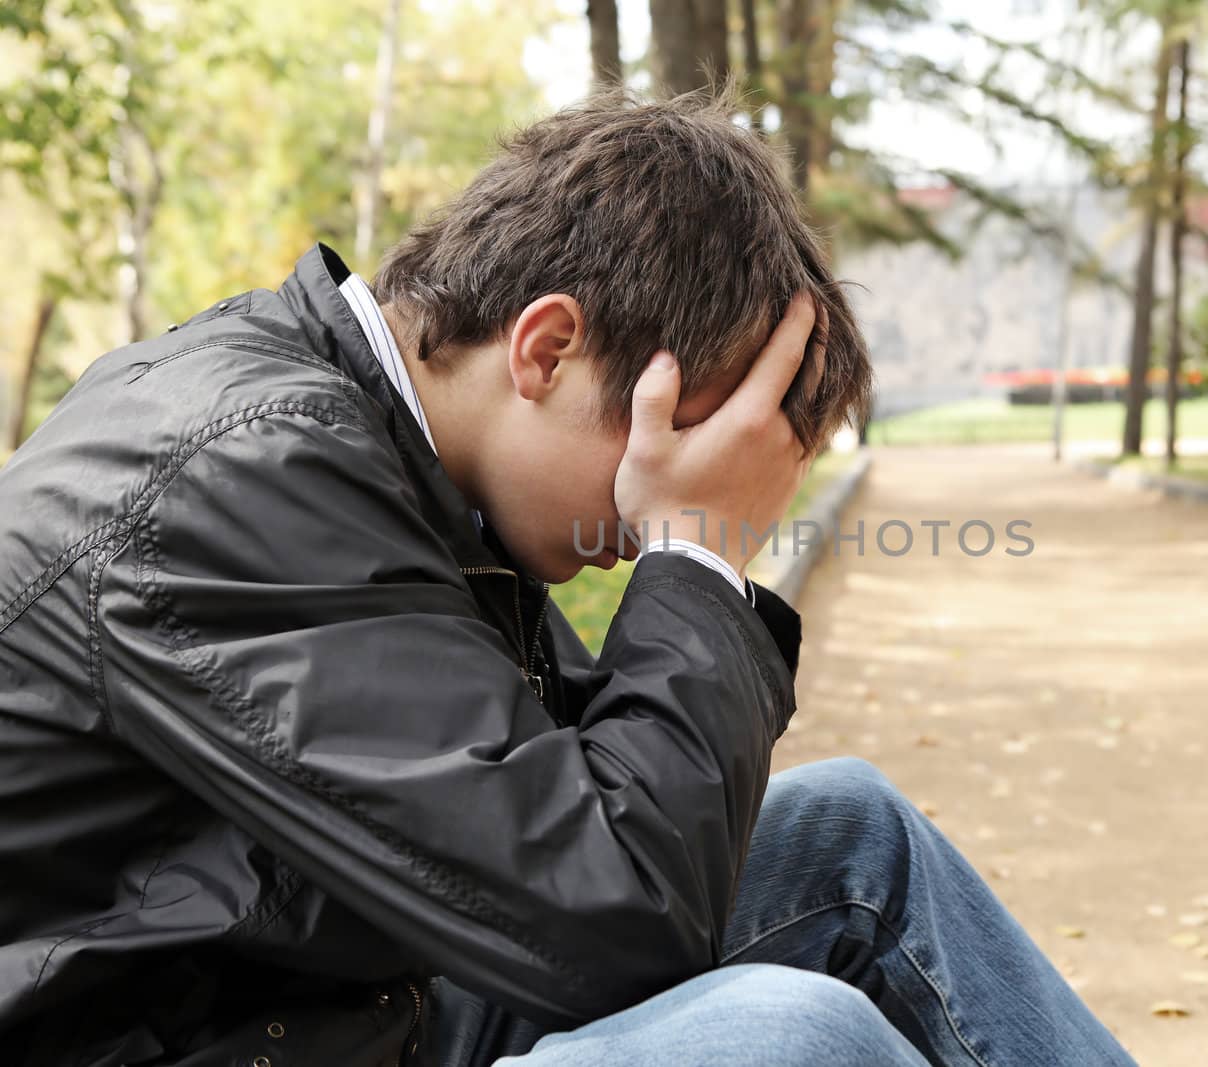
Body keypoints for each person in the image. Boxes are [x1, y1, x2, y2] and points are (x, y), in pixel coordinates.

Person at [0, 91, 1136, 1066]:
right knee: (788, 1038)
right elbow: (618, 921)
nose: (650, 510)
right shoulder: (238, 473)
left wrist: (695, 573)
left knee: (853, 834)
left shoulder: (383, 450)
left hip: (323, 1009)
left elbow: (575, 816)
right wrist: (695, 552)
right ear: (545, 347)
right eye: (662, 449)